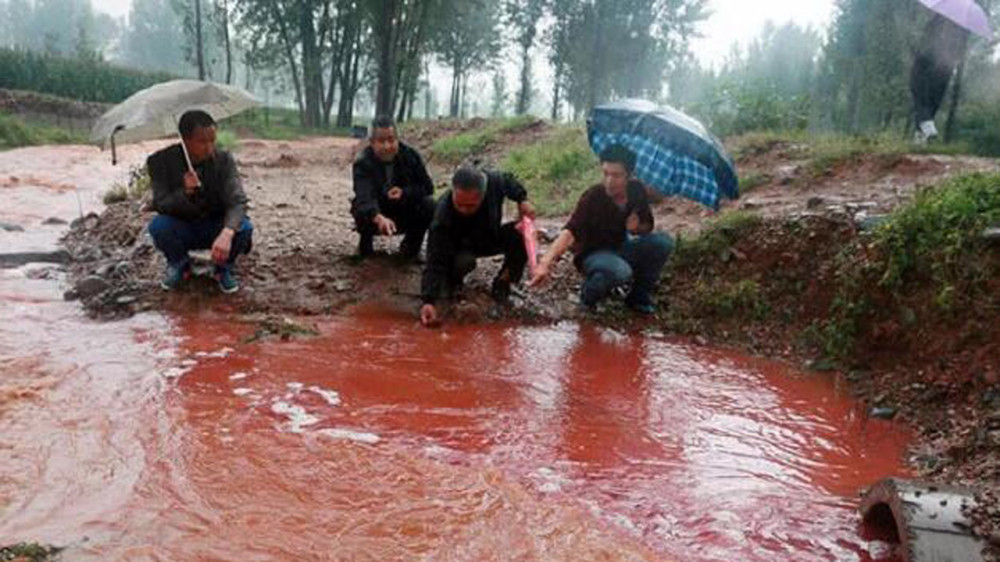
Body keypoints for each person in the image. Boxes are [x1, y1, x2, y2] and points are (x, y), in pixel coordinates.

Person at [530, 144, 672, 314]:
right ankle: (587, 299)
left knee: (662, 242)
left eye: (616, 175)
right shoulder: (593, 196)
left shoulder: (637, 191)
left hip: (620, 248)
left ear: (630, 175)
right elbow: (570, 232)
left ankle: (638, 298)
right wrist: (545, 263)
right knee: (620, 271)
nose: (609, 181)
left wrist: (637, 227)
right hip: (592, 254)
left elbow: (647, 226)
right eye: (606, 173)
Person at [147, 110, 253, 294]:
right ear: (185, 141)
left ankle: (222, 268)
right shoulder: (159, 162)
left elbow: (238, 201)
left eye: (213, 140)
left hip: (215, 226)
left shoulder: (224, 160)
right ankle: (180, 266)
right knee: (158, 227)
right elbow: (160, 204)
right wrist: (185, 192)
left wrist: (227, 233)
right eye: (202, 142)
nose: (209, 147)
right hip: (182, 226)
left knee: (244, 228)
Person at [419, 167, 535, 327]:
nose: (464, 210)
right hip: (459, 248)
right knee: (463, 262)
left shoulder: (494, 182)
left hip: (489, 236)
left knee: (521, 234)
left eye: (471, 205)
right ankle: (453, 287)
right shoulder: (442, 218)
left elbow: (508, 179)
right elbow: (434, 260)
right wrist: (428, 300)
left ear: (483, 195)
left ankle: (503, 284)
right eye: (459, 204)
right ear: (453, 192)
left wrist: (522, 199)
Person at [351, 115, 436, 259]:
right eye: (381, 141)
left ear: (397, 139)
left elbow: (427, 187)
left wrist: (405, 192)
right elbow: (364, 196)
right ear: (372, 142)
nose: (387, 146)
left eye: (391, 140)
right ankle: (365, 245)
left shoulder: (411, 156)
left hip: (404, 209)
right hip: (377, 212)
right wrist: (378, 217)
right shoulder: (363, 162)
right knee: (359, 206)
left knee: (429, 204)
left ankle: (411, 247)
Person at [910, 14, 969, 143]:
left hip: (936, 67)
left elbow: (957, 50)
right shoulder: (948, 23)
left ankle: (924, 131)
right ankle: (921, 134)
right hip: (934, 66)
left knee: (927, 99)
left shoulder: (951, 25)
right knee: (925, 99)